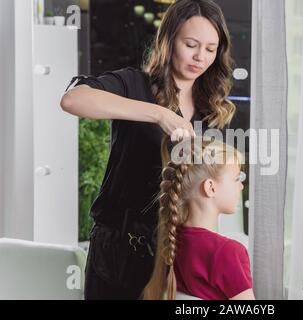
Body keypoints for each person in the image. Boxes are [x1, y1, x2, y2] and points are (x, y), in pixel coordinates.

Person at [60, 0, 236, 299]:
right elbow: (73, 100)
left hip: (177, 252)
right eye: (191, 44)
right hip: (119, 250)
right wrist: (159, 114)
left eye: (210, 49)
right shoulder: (133, 84)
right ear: (168, 41)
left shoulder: (212, 109)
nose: (200, 57)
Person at [142, 137, 255, 300]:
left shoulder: (170, 241)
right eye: (236, 178)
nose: (241, 186)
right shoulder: (227, 252)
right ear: (211, 187)